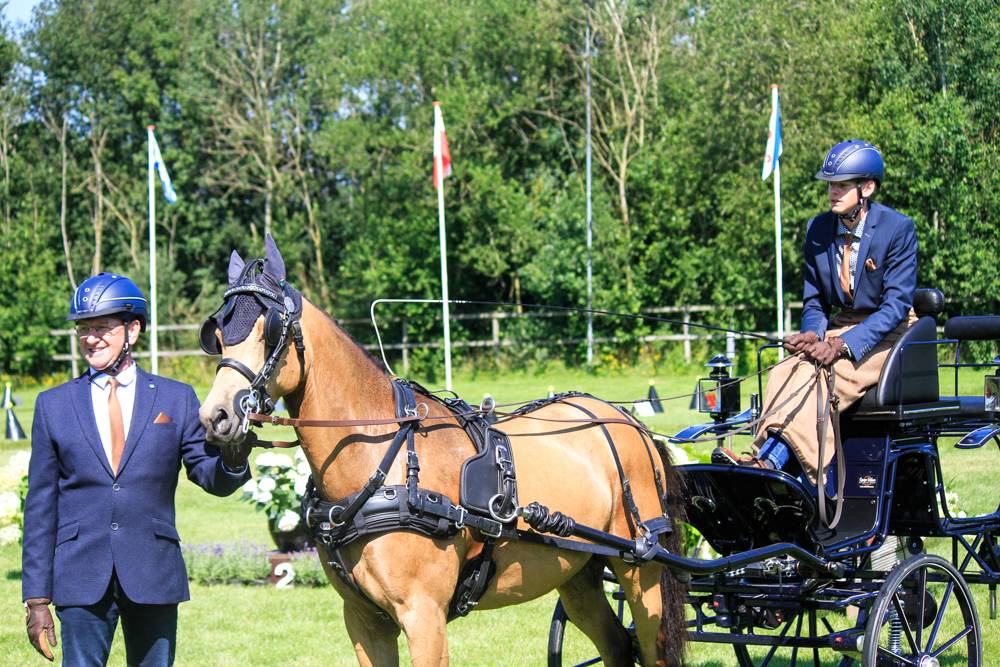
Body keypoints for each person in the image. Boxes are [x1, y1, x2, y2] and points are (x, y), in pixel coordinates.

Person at [22, 273, 252, 666]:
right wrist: (37, 598)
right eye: (84, 329)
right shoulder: (52, 405)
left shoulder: (176, 398)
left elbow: (207, 474)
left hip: (153, 572)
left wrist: (233, 459)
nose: (91, 338)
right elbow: (40, 507)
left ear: (133, 330)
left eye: (102, 327)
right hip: (80, 575)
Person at [715, 139, 918, 485]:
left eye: (842, 185)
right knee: (785, 369)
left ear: (867, 188)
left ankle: (775, 466)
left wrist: (841, 345)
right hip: (842, 326)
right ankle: (761, 457)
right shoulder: (818, 230)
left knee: (826, 373)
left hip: (891, 332)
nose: (833, 192)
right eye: (830, 185)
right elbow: (815, 302)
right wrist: (812, 334)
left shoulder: (897, 229)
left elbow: (896, 307)